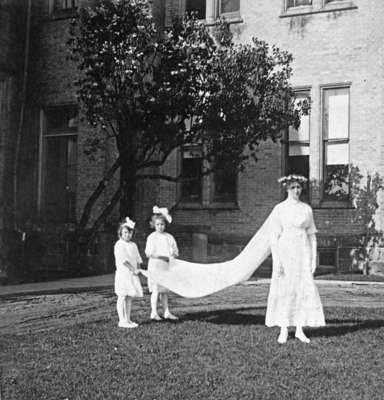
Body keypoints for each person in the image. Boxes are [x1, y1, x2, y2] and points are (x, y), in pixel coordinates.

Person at [266, 174, 325, 343]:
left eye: (299, 187)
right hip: (286, 251)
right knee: (285, 289)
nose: (296, 190)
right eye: (293, 187)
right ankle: (284, 329)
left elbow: (312, 235)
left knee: (302, 289)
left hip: (302, 252)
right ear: (287, 189)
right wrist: (277, 260)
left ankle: (299, 328)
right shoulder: (279, 209)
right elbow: (273, 238)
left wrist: (313, 259)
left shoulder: (306, 209)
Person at [145, 206, 179, 321]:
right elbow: (149, 253)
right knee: (156, 290)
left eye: (162, 224)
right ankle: (154, 312)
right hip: (156, 266)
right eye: (158, 224)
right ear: (154, 225)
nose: (160, 227)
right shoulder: (152, 237)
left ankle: (166, 311)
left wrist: (172, 254)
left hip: (166, 266)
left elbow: (175, 251)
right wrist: (162, 257)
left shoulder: (169, 237)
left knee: (164, 291)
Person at [114, 217, 143, 329]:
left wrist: (138, 268)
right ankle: (122, 320)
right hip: (123, 274)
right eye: (125, 232)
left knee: (129, 297)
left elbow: (137, 258)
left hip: (132, 274)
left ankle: (128, 319)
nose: (127, 235)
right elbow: (123, 260)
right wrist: (132, 268)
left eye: (130, 232)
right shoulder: (119, 245)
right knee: (122, 296)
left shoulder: (133, 245)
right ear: (120, 233)